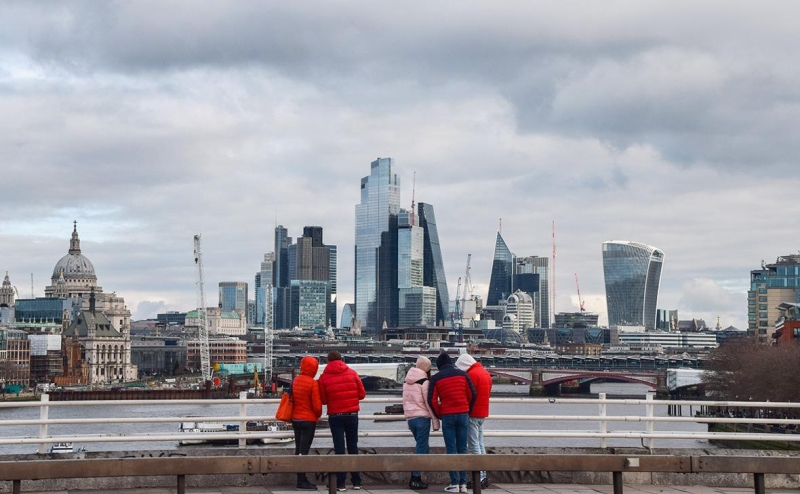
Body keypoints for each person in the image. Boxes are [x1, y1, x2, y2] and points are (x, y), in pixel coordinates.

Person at [318, 350, 366, 492]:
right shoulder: (352, 373)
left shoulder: (323, 377)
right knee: (353, 447)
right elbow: (362, 394)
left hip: (335, 416)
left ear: (328, 361)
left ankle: (340, 483)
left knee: (339, 448)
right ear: (341, 359)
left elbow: (324, 400)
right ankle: (356, 481)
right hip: (352, 415)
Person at [428, 353, 476, 493]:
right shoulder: (463, 374)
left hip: (448, 415)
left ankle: (454, 484)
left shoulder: (436, 378)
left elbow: (431, 400)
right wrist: (468, 410)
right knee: (462, 449)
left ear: (439, 366)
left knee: (451, 449)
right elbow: (473, 394)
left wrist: (439, 414)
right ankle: (464, 484)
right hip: (463, 414)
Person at [403, 356, 440, 490]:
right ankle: (415, 477)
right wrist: (436, 422)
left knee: (423, 446)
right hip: (422, 418)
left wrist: (407, 418)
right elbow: (429, 403)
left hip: (411, 418)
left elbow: (405, 402)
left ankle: (418, 474)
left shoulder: (406, 381)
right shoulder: (424, 382)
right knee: (421, 448)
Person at [456, 353, 492, 489]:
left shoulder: (471, 375)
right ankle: (484, 474)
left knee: (474, 445)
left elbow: (467, 394)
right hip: (482, 413)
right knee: (481, 443)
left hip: (472, 413)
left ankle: (481, 477)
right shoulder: (485, 373)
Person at [290, 355, 323, 490]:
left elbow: (291, 398)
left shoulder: (295, 380)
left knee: (298, 449)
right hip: (308, 420)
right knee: (304, 451)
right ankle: (301, 482)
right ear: (314, 368)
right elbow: (317, 406)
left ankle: (300, 479)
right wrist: (318, 414)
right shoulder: (313, 383)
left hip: (295, 419)